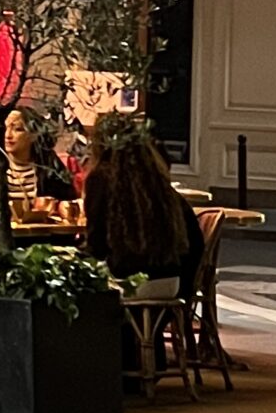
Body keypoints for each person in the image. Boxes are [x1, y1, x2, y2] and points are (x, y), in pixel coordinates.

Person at [80, 117, 204, 298]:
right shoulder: (156, 179)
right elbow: (195, 240)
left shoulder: (100, 179)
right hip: (173, 281)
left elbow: (97, 246)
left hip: (131, 281)